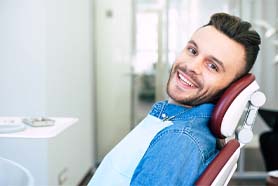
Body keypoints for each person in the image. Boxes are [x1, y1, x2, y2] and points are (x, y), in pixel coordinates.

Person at [88, 12, 261, 185]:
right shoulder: (173, 120)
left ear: (231, 88)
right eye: (192, 51)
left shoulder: (179, 140)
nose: (191, 66)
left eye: (212, 66)